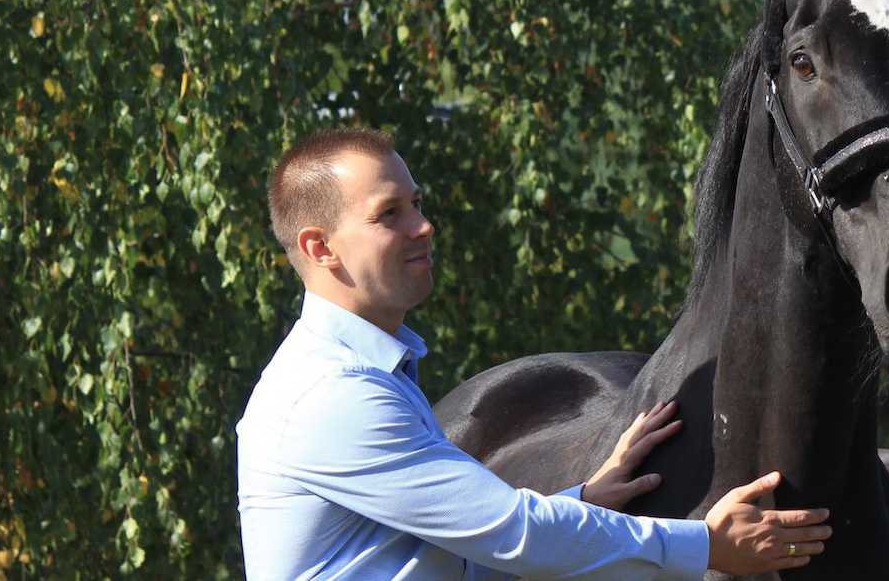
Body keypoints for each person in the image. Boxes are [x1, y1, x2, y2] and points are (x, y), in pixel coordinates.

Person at [237, 128, 831, 579]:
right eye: (390, 213)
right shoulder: (334, 396)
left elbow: (452, 554)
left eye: (417, 204)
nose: (423, 227)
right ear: (321, 248)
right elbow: (513, 534)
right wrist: (705, 543)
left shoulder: (365, 373)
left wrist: (583, 501)